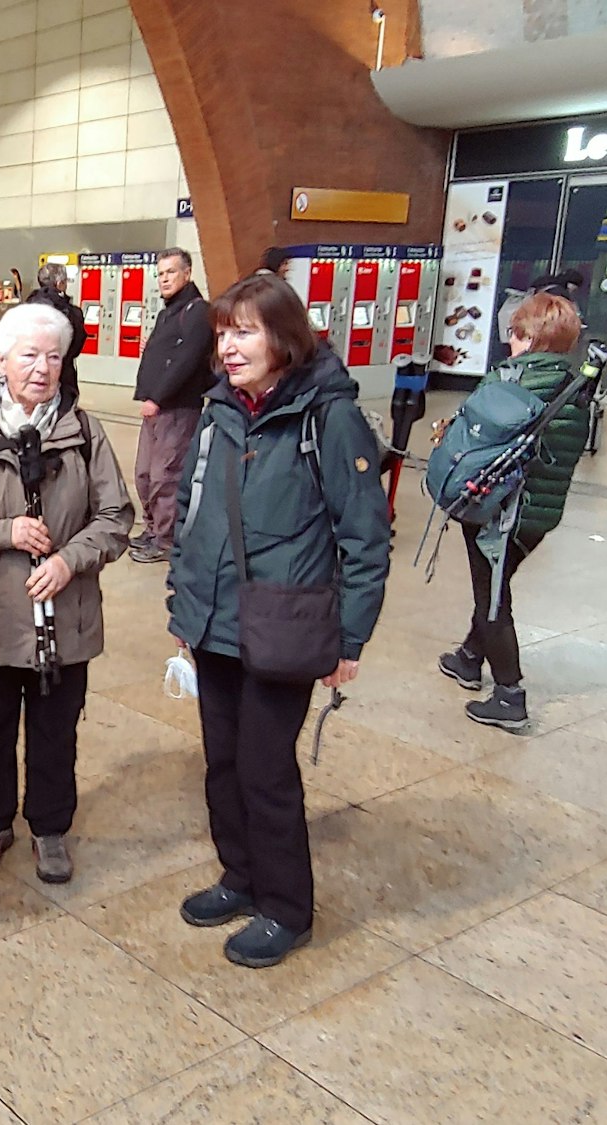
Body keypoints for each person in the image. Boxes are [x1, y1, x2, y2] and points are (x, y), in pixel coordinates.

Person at [166, 275, 391, 969]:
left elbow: (365, 536)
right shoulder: (218, 412)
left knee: (265, 770)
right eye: (224, 334)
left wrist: (349, 637)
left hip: (284, 623)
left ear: (283, 338)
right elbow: (192, 511)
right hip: (216, 622)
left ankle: (286, 906)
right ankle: (239, 875)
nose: (229, 348)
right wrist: (183, 604)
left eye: (245, 333)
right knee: (223, 764)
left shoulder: (328, 416)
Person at [0, 303, 132, 884]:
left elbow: (116, 517)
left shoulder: (83, 430)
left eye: (53, 357)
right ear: (0, 361)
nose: (41, 369)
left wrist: (70, 560)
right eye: (28, 355)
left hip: (64, 619)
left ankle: (49, 828)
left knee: (54, 730)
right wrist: (3, 531)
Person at [437, 292, 590, 730]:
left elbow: (471, 433)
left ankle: (509, 694)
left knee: (492, 597)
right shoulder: (576, 386)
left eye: (515, 332)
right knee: (496, 580)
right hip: (540, 513)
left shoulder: (510, 378)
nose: (511, 341)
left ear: (525, 335)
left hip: (496, 507)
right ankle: (469, 657)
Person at [130, 248, 213, 564]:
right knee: (144, 475)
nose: (164, 279)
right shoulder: (170, 311)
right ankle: (153, 529)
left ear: (187, 274)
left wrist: (158, 398)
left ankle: (165, 539)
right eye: (160, 273)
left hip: (177, 409)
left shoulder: (197, 311)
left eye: (171, 272)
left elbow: (187, 360)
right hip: (155, 409)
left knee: (166, 475)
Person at [22, 262, 86, 392]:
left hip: (29, 373)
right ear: (59, 284)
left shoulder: (26, 307)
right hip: (62, 375)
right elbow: (77, 343)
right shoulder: (71, 312)